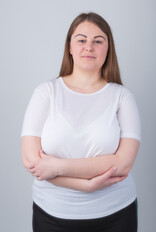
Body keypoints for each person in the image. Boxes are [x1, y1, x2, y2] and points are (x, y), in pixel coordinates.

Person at [21, 12, 141, 232]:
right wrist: (85, 185)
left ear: (108, 48)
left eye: (98, 41)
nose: (89, 47)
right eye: (81, 40)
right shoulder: (46, 92)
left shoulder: (123, 97)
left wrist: (57, 166)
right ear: (70, 47)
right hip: (51, 215)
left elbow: (122, 164)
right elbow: (31, 161)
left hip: (115, 214)